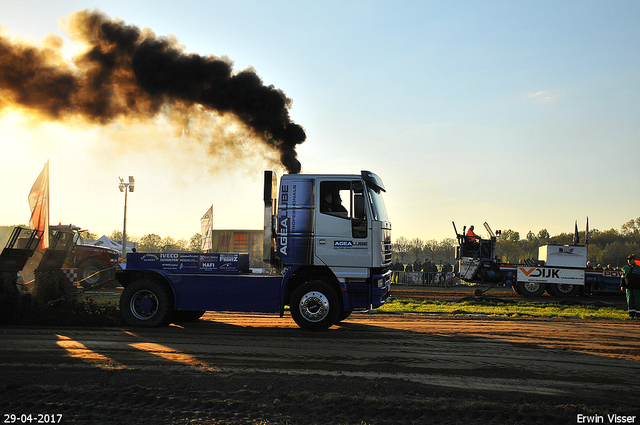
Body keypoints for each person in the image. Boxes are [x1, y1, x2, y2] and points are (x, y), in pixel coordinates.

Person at [621, 254, 640, 318]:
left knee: (637, 300)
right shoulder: (625, 268)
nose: (629, 261)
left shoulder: (638, 268)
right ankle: (631, 314)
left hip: (637, 287)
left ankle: (638, 314)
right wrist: (622, 285)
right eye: (628, 260)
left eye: (630, 260)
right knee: (630, 300)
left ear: (634, 260)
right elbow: (623, 278)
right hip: (628, 287)